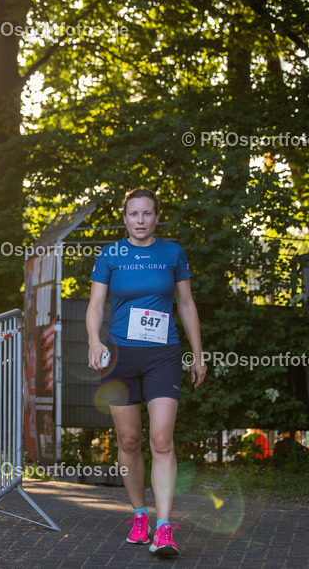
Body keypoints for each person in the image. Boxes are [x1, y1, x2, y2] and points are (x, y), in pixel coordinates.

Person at [87, 187, 205, 558]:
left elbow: (185, 304)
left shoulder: (172, 253)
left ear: (157, 217)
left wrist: (198, 355)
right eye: (133, 214)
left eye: (147, 214)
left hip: (162, 356)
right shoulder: (110, 255)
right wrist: (94, 340)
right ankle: (140, 516)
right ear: (125, 218)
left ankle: (165, 527)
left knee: (162, 439)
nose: (140, 221)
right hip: (120, 357)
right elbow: (95, 305)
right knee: (128, 441)